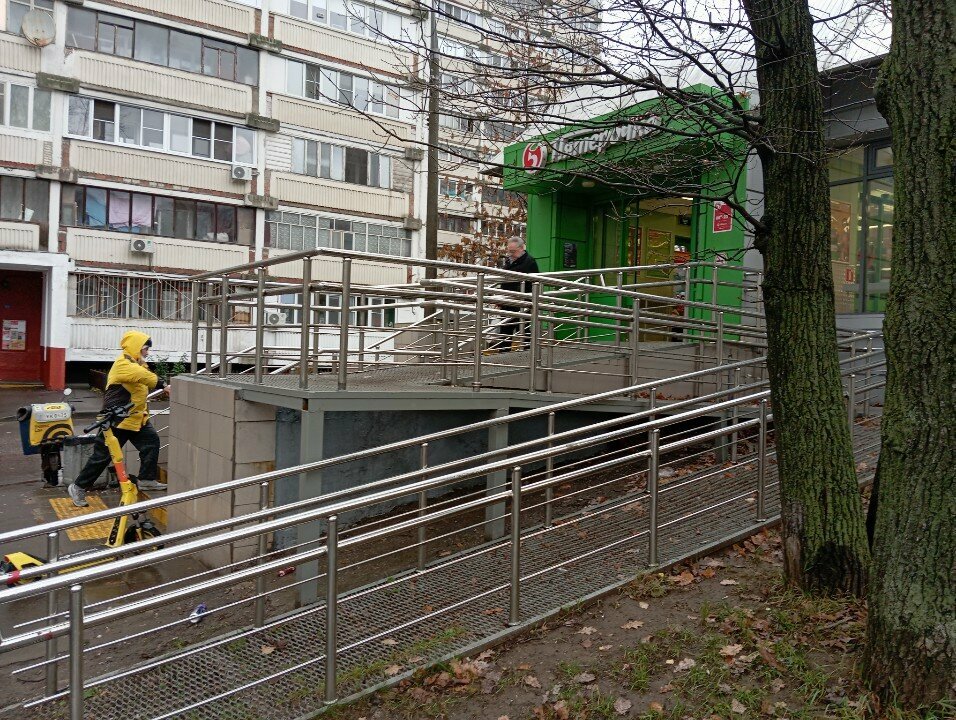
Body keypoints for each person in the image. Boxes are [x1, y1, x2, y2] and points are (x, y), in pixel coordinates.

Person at [68, 331, 171, 507]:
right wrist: (163, 384)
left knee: (151, 443)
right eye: (145, 349)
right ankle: (78, 487)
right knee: (102, 457)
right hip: (117, 420)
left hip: (135, 419)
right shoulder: (123, 364)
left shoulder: (137, 364)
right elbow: (143, 376)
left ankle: (147, 479)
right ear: (136, 347)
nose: (147, 352)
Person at [496, 237, 539, 351]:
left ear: (521, 248)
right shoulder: (509, 261)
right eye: (509, 251)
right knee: (505, 330)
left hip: (522, 302)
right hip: (508, 301)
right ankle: (503, 355)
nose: (510, 254)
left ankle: (528, 354)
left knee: (524, 330)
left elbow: (534, 283)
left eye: (513, 251)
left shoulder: (529, 262)